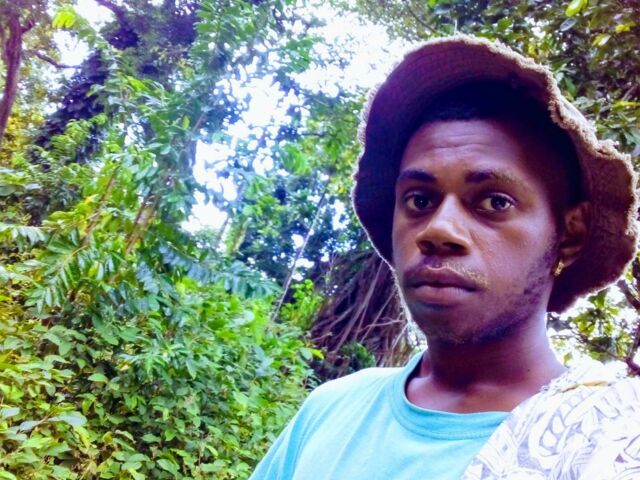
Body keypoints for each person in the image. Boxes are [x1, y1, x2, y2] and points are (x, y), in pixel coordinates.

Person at [250, 35, 640, 479]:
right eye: (419, 200)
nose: (438, 229)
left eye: (494, 202)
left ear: (571, 233)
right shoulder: (329, 411)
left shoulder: (612, 444)